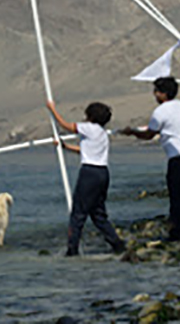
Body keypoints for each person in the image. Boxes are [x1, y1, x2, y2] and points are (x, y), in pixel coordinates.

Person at [121, 76, 180, 241]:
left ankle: (178, 232)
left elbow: (149, 134)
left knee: (178, 195)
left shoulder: (161, 111)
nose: (154, 95)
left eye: (156, 91)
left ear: (163, 93)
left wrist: (132, 132)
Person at [46, 99, 126, 256]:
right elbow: (85, 150)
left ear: (90, 116)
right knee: (97, 214)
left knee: (78, 214)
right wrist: (66, 147)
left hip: (89, 173)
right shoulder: (102, 134)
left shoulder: (89, 128)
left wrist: (53, 110)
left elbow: (66, 126)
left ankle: (72, 250)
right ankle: (117, 244)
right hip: (103, 173)